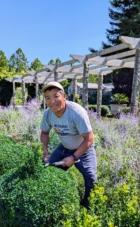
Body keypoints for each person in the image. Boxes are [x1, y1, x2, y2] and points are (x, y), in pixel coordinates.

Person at [40, 81, 97, 209]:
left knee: (91, 178)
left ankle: (88, 206)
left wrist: (74, 158)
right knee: (47, 170)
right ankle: (54, 201)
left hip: (83, 149)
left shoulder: (77, 113)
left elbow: (89, 139)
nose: (52, 101)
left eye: (56, 96)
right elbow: (44, 132)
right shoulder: (48, 114)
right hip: (64, 148)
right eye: (48, 98)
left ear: (64, 96)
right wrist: (45, 150)